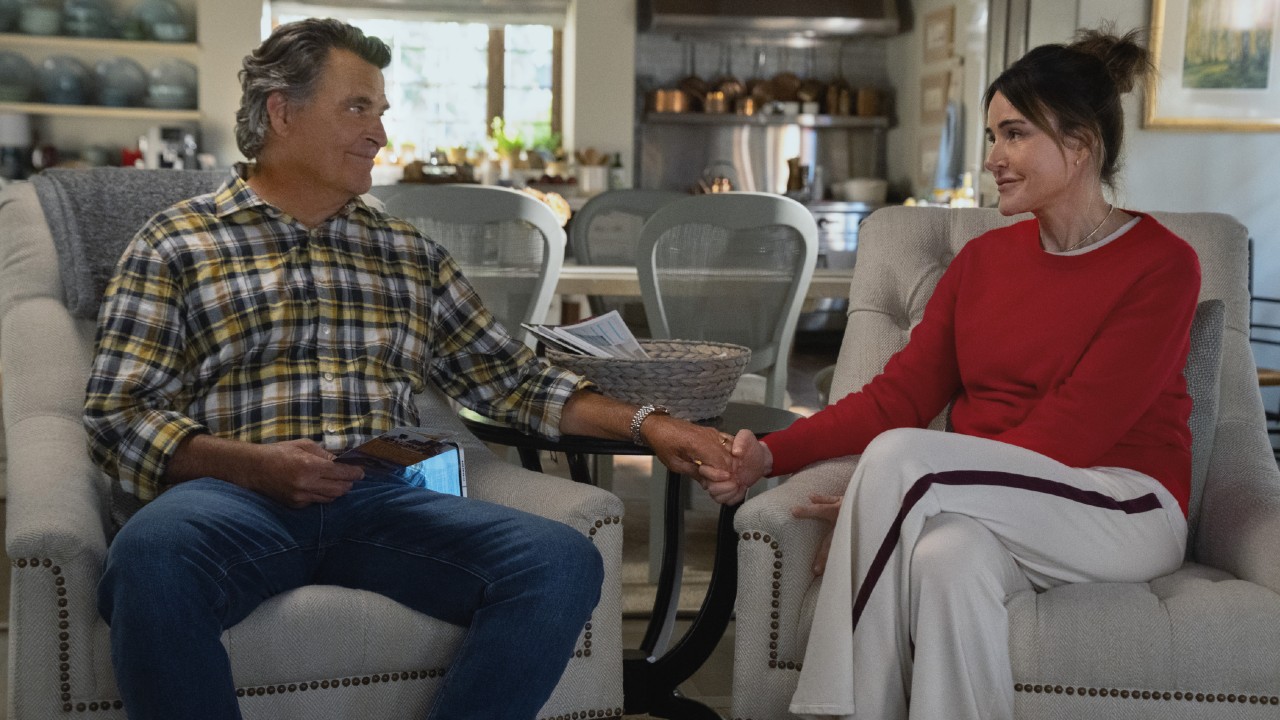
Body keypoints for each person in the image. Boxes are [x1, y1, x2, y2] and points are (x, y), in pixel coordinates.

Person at [84, 18, 731, 720]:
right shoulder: (176, 243)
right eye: (357, 108)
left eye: (381, 111)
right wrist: (252, 466)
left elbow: (511, 381)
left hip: (380, 500)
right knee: (151, 556)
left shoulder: (407, 253)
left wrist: (650, 425)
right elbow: (119, 417)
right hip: (232, 499)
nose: (380, 134)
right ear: (282, 112)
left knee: (561, 560)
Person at [702, 28, 1198, 720]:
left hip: (1120, 506)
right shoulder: (982, 263)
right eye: (993, 137)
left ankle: (833, 710)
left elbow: (1074, 432)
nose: (992, 158)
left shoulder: (1162, 265)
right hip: (994, 499)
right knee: (943, 562)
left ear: (1081, 144)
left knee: (898, 461)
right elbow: (898, 397)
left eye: (1014, 134)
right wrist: (768, 454)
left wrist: (904, 496)